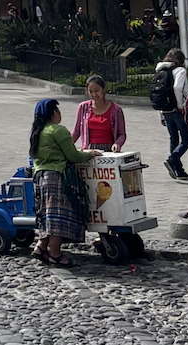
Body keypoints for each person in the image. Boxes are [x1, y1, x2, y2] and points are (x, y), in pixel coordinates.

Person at [29, 98, 99, 266]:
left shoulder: (38, 132)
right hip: (56, 177)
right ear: (54, 113)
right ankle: (55, 255)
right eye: (58, 111)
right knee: (57, 218)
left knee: (47, 215)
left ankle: (40, 247)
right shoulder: (58, 130)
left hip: (40, 177)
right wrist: (89, 154)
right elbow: (73, 156)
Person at [150, 48, 188, 180]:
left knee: (173, 138)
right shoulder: (180, 71)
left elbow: (160, 93)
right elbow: (178, 88)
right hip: (176, 110)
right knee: (186, 138)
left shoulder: (160, 71)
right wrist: (180, 105)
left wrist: (161, 114)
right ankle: (172, 159)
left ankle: (178, 170)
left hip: (165, 110)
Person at [71, 75, 127, 151]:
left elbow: (122, 134)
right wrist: (67, 145)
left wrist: (117, 144)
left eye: (97, 91)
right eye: (91, 91)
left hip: (109, 150)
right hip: (89, 150)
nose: (94, 94)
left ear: (104, 89)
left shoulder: (116, 110)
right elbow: (76, 131)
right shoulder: (83, 107)